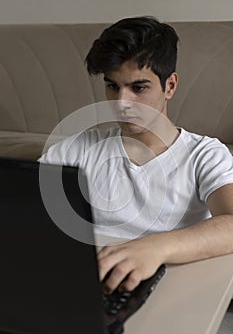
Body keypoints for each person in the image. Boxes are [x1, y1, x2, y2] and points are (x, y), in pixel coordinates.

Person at [39, 16, 233, 294]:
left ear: (170, 86)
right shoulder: (79, 148)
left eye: (138, 88)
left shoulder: (204, 154)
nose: (121, 103)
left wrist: (156, 247)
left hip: (177, 291)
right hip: (96, 287)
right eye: (112, 86)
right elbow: (19, 203)